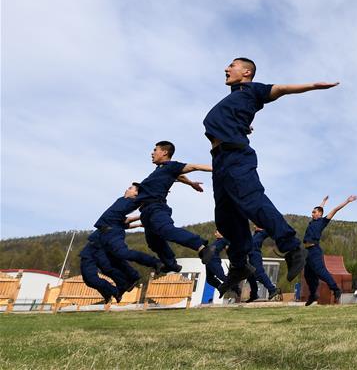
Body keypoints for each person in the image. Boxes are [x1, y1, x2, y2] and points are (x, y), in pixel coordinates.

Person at [202, 57, 338, 294]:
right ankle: (238, 265)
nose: (226, 68)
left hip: (236, 156)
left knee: (252, 201)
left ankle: (293, 247)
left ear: (246, 72)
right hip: (220, 160)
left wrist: (312, 86)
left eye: (231, 65)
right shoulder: (235, 97)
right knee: (226, 218)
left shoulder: (253, 89)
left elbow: (282, 89)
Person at [135, 141, 214, 273]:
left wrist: (219, 168)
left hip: (156, 207)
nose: (152, 153)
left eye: (155, 150)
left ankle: (201, 247)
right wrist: (190, 183)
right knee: (153, 242)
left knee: (166, 230)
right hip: (146, 212)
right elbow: (180, 176)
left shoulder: (171, 165)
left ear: (164, 152)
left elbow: (194, 167)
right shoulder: (162, 169)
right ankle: (171, 264)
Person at [80, 184, 162, 302]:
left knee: (116, 259)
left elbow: (148, 193)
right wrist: (139, 223)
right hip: (96, 239)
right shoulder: (121, 202)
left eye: (130, 188)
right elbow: (125, 221)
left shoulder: (132, 201)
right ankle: (112, 291)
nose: (127, 189)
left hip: (109, 235)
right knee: (90, 277)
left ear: (136, 194)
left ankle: (151, 265)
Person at [302, 195, 357, 305]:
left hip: (315, 250)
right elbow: (320, 208)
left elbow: (335, 209)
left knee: (321, 272)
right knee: (308, 274)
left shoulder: (323, 221)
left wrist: (347, 201)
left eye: (314, 212)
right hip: (307, 252)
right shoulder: (312, 221)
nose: (312, 214)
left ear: (320, 214)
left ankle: (336, 289)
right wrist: (323, 202)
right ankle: (313, 295)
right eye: (312, 212)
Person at [246, 226, 281, 302]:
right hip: (250, 256)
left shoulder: (263, 232)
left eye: (256, 225)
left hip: (255, 255)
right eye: (254, 225)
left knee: (259, 273)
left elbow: (272, 230)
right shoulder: (254, 234)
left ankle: (272, 289)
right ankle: (254, 294)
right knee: (250, 275)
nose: (254, 226)